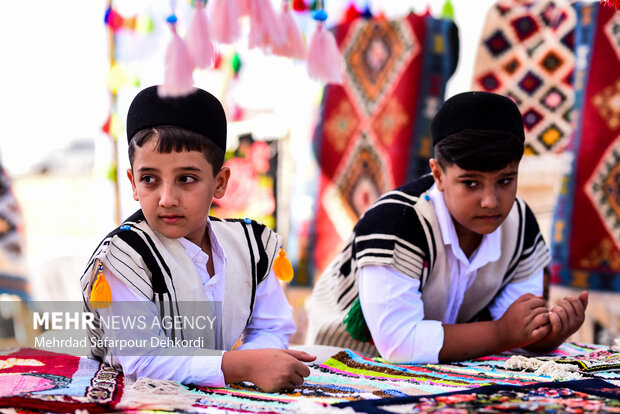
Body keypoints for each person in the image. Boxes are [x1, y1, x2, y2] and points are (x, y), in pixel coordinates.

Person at [305, 91, 589, 363]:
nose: (491, 201)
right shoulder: (398, 223)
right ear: (438, 174)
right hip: (344, 363)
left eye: (505, 181)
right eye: (471, 183)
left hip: (450, 367)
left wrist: (549, 333)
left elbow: (518, 328)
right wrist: (503, 332)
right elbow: (400, 344)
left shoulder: (520, 225)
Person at [80, 85, 315, 392]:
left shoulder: (251, 245)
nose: (167, 198)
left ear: (219, 183)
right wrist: (243, 366)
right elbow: (144, 360)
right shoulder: (124, 257)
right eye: (149, 179)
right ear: (133, 183)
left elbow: (272, 325)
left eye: (186, 179)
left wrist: (256, 360)